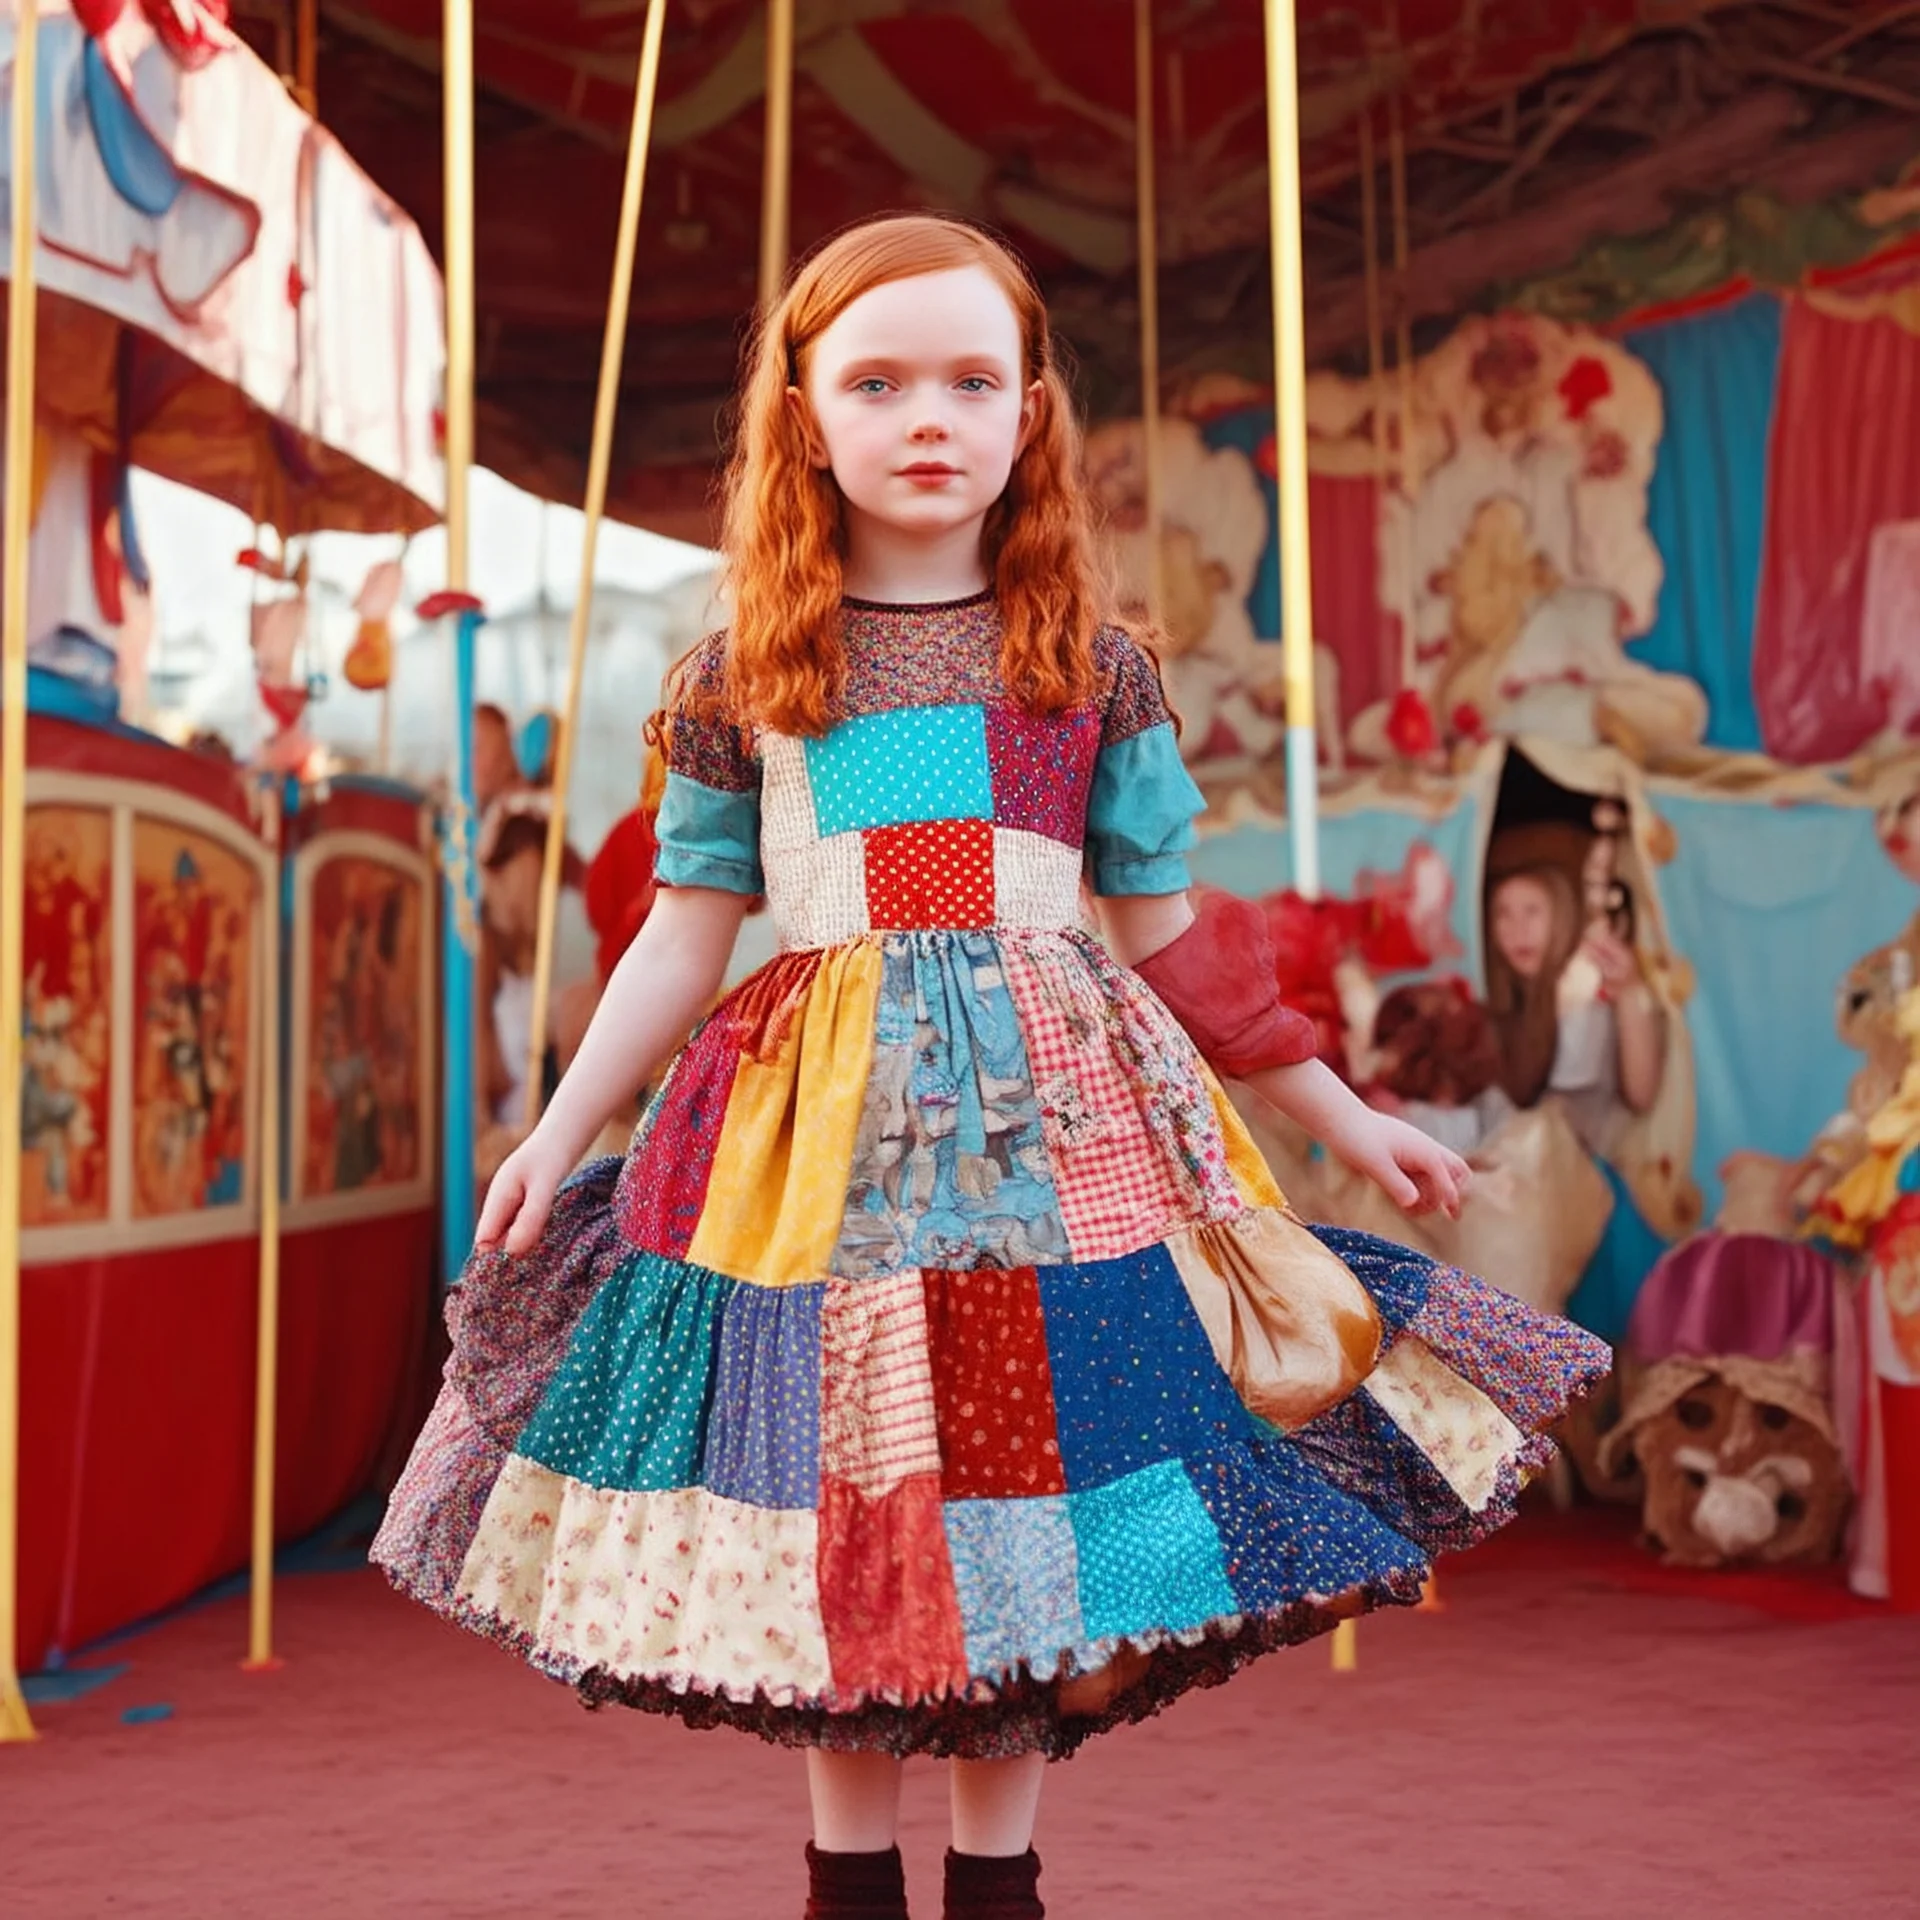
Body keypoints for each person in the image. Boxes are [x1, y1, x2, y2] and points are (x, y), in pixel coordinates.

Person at [374, 215, 1608, 1920]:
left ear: (1032, 412)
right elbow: (681, 931)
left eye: (971, 379)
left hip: (1058, 1130)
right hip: (812, 1144)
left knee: (1033, 1479)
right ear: (804, 417)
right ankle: (846, 1877)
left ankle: (1002, 1877)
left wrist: (1340, 1111)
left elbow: (1176, 932)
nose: (927, 417)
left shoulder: (1088, 669)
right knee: (844, 1476)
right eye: (877, 382)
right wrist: (557, 1125)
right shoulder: (748, 674)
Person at [1484, 861, 1663, 1156]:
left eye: (1532, 911)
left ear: (1562, 916)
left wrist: (1630, 990)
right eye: (1503, 914)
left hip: (1586, 1182)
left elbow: (1642, 1094)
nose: (1518, 930)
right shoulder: (1503, 1010)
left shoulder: (1590, 996)